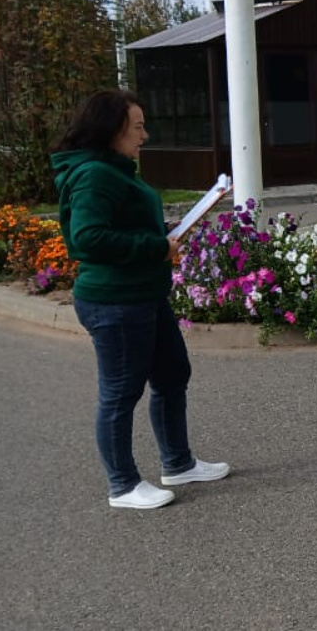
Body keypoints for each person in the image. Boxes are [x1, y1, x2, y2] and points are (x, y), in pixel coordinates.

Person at [52, 90, 229, 510]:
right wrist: (155, 247)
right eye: (138, 127)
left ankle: (178, 463)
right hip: (115, 301)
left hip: (145, 294)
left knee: (172, 374)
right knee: (120, 392)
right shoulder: (95, 175)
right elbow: (87, 238)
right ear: (112, 130)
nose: (144, 135)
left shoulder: (115, 170)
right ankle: (123, 485)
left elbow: (121, 223)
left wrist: (164, 230)